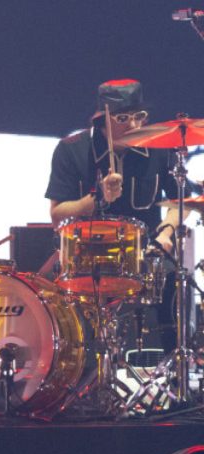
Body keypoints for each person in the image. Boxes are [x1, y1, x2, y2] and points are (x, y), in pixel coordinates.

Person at [45, 79, 186, 351]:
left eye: (139, 116)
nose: (133, 125)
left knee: (172, 280)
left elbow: (180, 202)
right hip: (88, 253)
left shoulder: (159, 148)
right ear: (102, 120)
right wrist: (96, 198)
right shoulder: (72, 149)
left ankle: (170, 361)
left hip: (146, 250)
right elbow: (57, 215)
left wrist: (167, 231)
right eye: (122, 118)